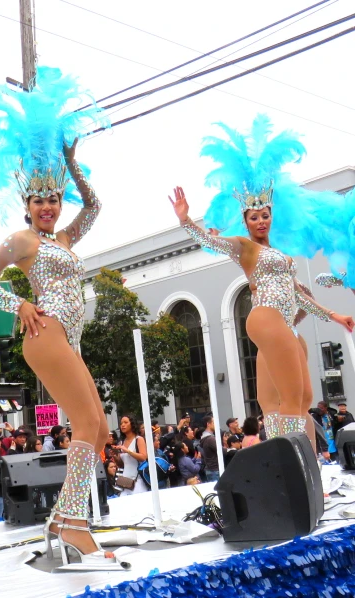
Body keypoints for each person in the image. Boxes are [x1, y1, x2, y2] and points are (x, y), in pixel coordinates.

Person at [0, 67, 123, 569]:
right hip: (45, 330)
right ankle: (73, 526)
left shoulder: (64, 239)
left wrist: (73, 164)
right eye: (40, 199)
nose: (48, 207)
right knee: (88, 422)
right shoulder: (25, 242)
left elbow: (97, 204)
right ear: (26, 203)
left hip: (68, 339)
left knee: (97, 429)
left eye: (54, 199)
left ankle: (65, 519)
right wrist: (20, 304)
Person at [170, 116, 353, 449]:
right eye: (254, 216)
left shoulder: (279, 254)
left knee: (301, 398)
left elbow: (299, 294)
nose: (261, 220)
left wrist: (335, 316)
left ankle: (305, 468)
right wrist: (186, 222)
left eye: (265, 215)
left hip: (287, 326)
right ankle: (299, 469)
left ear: (271, 215)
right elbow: (213, 244)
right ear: (245, 220)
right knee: (292, 395)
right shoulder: (245, 247)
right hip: (267, 318)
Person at [112, 415, 147, 495]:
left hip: (137, 480)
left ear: (132, 424)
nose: (123, 425)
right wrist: (115, 456)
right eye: (121, 423)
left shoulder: (138, 439)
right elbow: (121, 464)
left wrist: (128, 451)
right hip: (126, 482)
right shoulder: (121, 442)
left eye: (125, 422)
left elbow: (143, 457)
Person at [200, 416, 219, 482]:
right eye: (213, 422)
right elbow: (220, 450)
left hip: (211, 469)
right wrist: (230, 450)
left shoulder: (207, 437)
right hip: (214, 470)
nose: (215, 424)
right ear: (208, 424)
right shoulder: (210, 438)